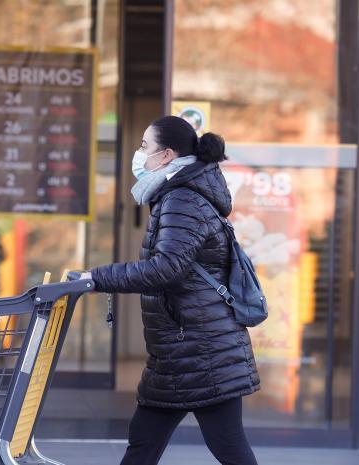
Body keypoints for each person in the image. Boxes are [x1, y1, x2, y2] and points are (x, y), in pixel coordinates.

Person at [82, 116, 260, 465]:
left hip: (201, 349)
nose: (139, 153)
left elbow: (167, 268)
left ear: (166, 156)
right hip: (183, 348)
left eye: (144, 146)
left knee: (227, 447)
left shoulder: (182, 198)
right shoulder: (179, 194)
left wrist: (97, 278)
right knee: (144, 442)